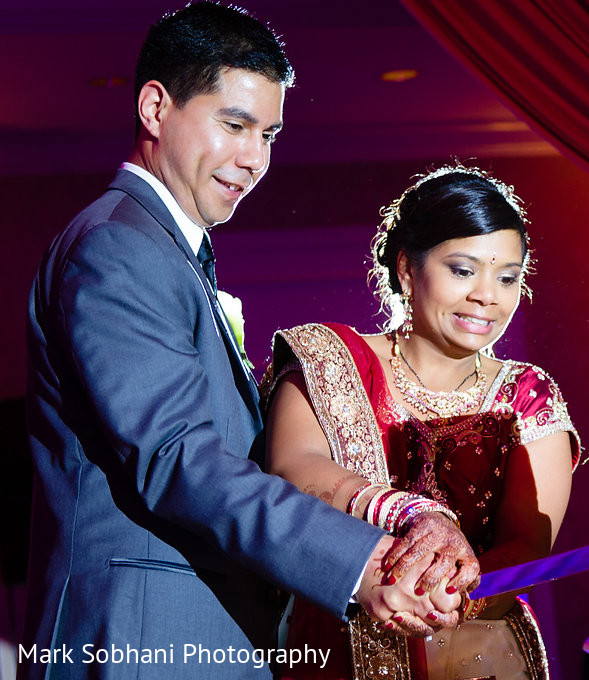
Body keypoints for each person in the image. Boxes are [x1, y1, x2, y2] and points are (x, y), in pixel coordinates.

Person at [20, 5, 477, 679]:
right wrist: (360, 563)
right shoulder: (119, 246)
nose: (253, 159)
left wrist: (389, 511)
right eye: (234, 125)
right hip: (143, 641)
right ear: (155, 107)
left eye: (268, 134)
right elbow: (180, 460)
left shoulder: (165, 251)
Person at [261, 164, 582, 680]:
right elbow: (295, 469)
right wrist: (411, 515)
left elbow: (527, 545)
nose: (488, 296)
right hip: (332, 645)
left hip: (478, 652)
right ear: (408, 268)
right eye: (462, 270)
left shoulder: (526, 394)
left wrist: (436, 595)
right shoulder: (328, 360)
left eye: (508, 277)